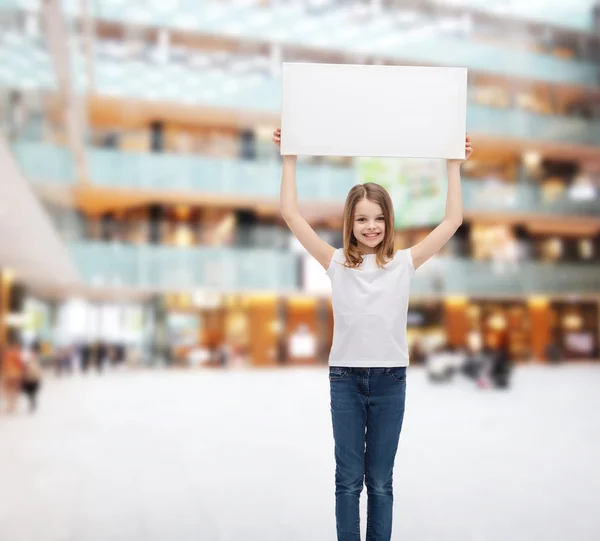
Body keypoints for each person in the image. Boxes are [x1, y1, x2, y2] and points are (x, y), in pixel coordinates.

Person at [273, 128, 472, 541]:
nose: (371, 226)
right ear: (350, 222)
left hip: (389, 381)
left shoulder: (403, 262)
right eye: (362, 218)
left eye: (379, 218)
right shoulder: (335, 263)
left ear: (389, 221)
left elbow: (453, 220)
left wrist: (453, 165)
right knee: (348, 481)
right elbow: (291, 214)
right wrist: (289, 157)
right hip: (345, 381)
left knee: (380, 482)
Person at [1, 338, 24, 414]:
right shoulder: (17, 353)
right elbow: (20, 364)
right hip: (15, 374)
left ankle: (11, 405)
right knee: (14, 390)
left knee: (8, 390)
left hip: (8, 374)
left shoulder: (7, 354)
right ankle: (13, 404)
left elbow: (4, 365)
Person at [21, 341, 43, 413]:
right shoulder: (27, 355)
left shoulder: (37, 357)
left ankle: (32, 400)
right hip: (29, 376)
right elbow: (24, 364)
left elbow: (39, 368)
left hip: (35, 376)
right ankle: (32, 399)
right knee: (28, 390)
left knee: (33, 390)